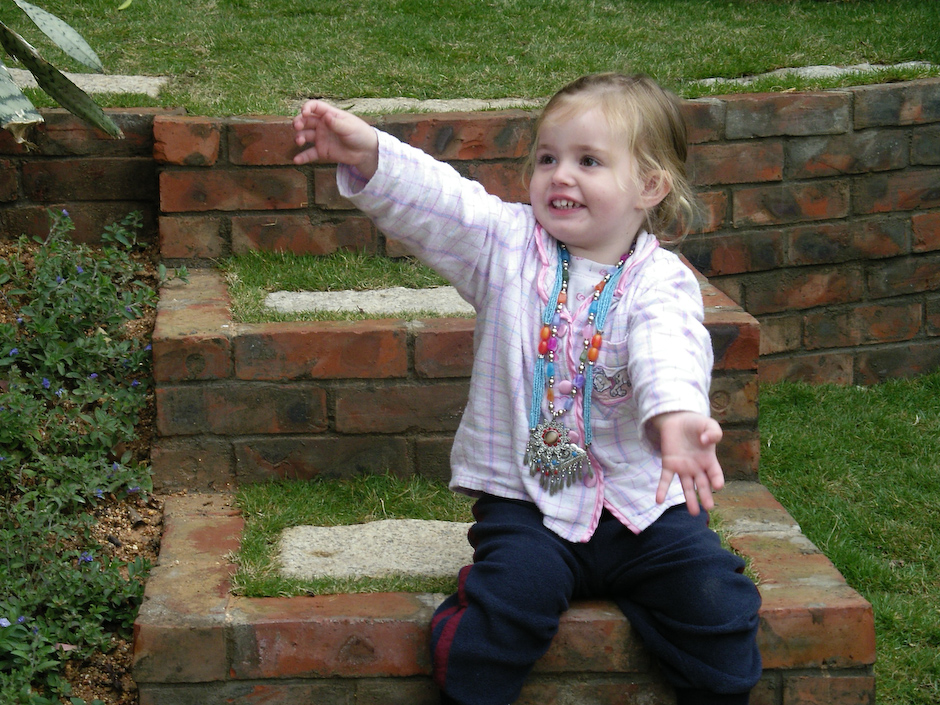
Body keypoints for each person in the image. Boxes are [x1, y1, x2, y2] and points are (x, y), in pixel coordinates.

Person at [293, 72, 762, 705]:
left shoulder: (662, 282)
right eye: (547, 158)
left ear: (649, 186)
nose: (560, 175)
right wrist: (371, 152)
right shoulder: (506, 245)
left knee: (717, 602)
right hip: (528, 505)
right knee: (509, 602)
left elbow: (669, 346)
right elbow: (444, 203)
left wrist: (674, 416)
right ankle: (468, 678)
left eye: (588, 161)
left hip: (643, 509)